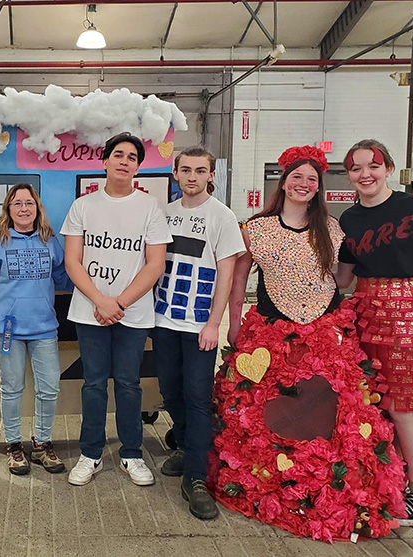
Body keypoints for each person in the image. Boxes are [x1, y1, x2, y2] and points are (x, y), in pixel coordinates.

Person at [215, 145, 405, 541]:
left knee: (330, 407)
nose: (303, 184)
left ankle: (328, 488)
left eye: (312, 180)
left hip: (324, 334)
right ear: (283, 182)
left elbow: (344, 278)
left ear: (318, 188)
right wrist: (234, 322)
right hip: (271, 333)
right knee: (271, 406)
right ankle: (273, 485)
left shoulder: (333, 229)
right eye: (297, 177)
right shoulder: (256, 228)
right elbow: (238, 279)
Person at [336, 139, 413, 527]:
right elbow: (343, 277)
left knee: (403, 406)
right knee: (375, 400)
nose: (364, 174)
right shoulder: (349, 220)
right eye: (356, 169)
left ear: (388, 168)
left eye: (372, 165)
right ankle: (392, 477)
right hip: (368, 310)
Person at [61, 132, 172, 487]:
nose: (125, 161)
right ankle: (90, 453)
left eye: (132, 157)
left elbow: (155, 264)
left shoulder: (150, 207)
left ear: (138, 167)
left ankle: (132, 453)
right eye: (118, 155)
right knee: (93, 383)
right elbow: (72, 261)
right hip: (90, 312)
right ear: (105, 161)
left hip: (133, 314)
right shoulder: (83, 206)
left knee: (128, 383)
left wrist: (118, 303)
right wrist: (100, 301)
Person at [152, 147, 244, 519]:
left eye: (200, 170)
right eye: (186, 170)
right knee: (169, 391)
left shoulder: (222, 217)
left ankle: (197, 477)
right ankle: (189, 447)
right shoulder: (164, 214)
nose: (192, 176)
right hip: (162, 321)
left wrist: (213, 323)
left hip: (198, 326)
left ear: (211, 176)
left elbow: (226, 275)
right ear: (175, 173)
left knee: (196, 397)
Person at [0, 183, 72, 475]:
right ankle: (13, 445)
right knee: (12, 389)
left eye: (29, 203)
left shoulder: (50, 241)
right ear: (8, 209)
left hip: (44, 328)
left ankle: (42, 443)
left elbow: (64, 277)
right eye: (17, 203)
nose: (23, 208)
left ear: (37, 208)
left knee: (49, 388)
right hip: (7, 330)